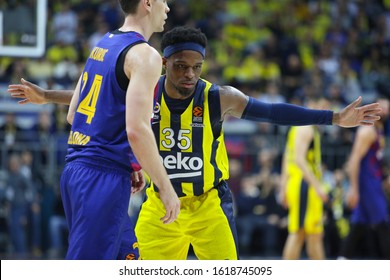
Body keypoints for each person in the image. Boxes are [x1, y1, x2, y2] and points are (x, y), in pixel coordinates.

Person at [8, 26, 382, 260]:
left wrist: (334, 118)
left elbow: (272, 112)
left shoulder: (218, 97)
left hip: (209, 206)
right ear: (164, 62)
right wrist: (47, 96)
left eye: (196, 67)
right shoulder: (145, 89)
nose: (189, 74)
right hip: (160, 206)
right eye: (180, 66)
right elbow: (95, 93)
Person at [9, 0, 181, 260]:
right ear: (147, 3)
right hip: (101, 178)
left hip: (81, 171)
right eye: (164, 1)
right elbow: (137, 130)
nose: (167, 8)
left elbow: (74, 112)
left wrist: (46, 95)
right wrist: (165, 187)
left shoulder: (103, 43)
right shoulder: (145, 55)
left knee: (128, 259)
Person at [279, 95, 331, 260]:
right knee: (299, 233)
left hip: (302, 185)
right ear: (311, 104)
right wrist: (318, 186)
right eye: (322, 107)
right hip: (305, 186)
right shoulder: (306, 128)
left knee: (313, 235)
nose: (325, 112)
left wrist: (283, 188)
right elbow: (299, 160)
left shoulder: (301, 127)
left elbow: (287, 158)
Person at [338, 97, 390, 260]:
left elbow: (376, 160)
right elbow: (353, 160)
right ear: (374, 108)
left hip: (373, 182)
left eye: (388, 107)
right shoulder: (367, 131)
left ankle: (342, 259)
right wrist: (353, 188)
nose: (386, 110)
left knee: (359, 223)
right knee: (383, 222)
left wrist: (385, 177)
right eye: (382, 106)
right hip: (366, 184)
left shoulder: (379, 130)